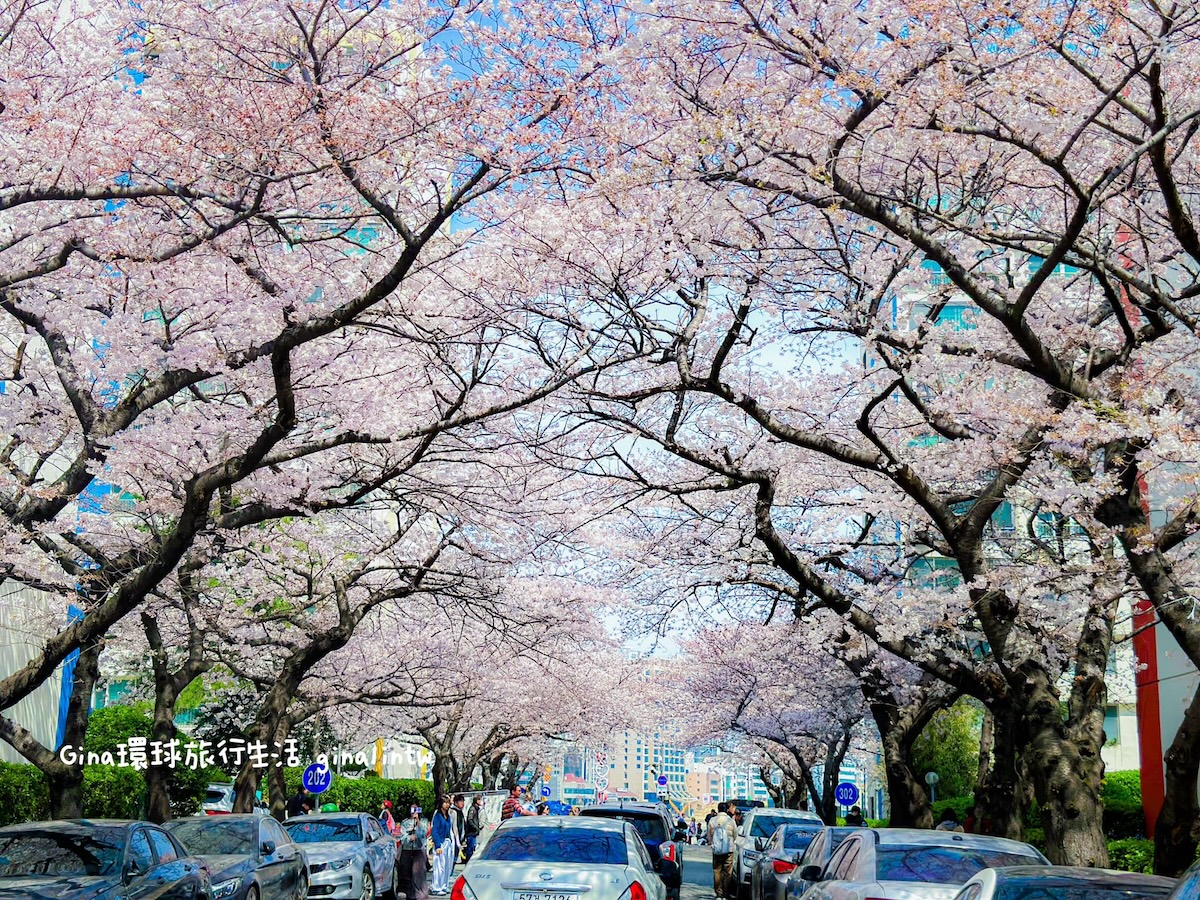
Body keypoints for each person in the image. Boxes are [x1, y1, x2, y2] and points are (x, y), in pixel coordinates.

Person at [398, 805, 430, 900]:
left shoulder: (423, 821)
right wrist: (409, 838)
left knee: (419, 874)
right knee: (407, 873)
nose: (414, 812)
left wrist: (418, 821)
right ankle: (409, 895)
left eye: (416, 810)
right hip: (407, 850)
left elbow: (424, 833)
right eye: (412, 809)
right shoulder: (405, 822)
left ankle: (420, 895)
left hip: (418, 849)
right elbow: (402, 836)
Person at [707, 802, 738, 900]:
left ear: (718, 809)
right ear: (727, 810)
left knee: (717, 871)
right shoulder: (730, 821)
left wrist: (712, 844)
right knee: (727, 872)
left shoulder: (712, 820)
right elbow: (735, 834)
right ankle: (725, 893)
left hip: (717, 850)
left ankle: (719, 893)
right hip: (729, 850)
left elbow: (709, 835)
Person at [430, 796, 456, 895]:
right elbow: (435, 831)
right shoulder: (437, 815)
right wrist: (437, 845)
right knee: (439, 867)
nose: (447, 804)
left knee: (446, 866)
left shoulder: (448, 816)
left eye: (448, 802)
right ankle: (436, 887)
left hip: (447, 842)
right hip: (440, 843)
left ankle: (444, 885)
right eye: (445, 802)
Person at [463, 795, 483, 862]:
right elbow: (470, 819)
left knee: (472, 849)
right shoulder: (472, 809)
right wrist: (475, 828)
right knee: (470, 849)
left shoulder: (476, 809)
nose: (481, 801)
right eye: (480, 800)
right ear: (477, 801)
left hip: (473, 833)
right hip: (471, 833)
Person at [450, 795, 467, 867]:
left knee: (455, 857)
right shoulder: (453, 812)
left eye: (463, 801)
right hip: (453, 839)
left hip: (460, 839)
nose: (462, 803)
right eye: (460, 801)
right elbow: (454, 827)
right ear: (455, 802)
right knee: (452, 859)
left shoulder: (460, 812)